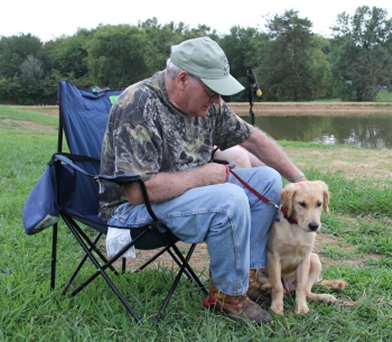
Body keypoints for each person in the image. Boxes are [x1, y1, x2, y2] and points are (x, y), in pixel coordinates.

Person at [99, 36, 306, 325]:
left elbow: (253, 139)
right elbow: (136, 192)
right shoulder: (139, 103)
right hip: (134, 210)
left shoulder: (209, 105)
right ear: (183, 79)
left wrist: (299, 179)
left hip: (186, 194)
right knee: (230, 199)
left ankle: (249, 278)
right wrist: (203, 176)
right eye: (212, 92)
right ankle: (228, 297)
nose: (218, 100)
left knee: (268, 180)